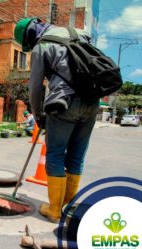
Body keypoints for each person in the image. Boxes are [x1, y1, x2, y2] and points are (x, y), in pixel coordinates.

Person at [14, 18, 99, 222]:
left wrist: (38, 115)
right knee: (76, 157)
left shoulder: (42, 46)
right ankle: (66, 210)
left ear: (30, 37)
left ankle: (54, 211)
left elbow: (35, 88)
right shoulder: (80, 34)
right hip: (92, 102)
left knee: (55, 155)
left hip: (64, 104)